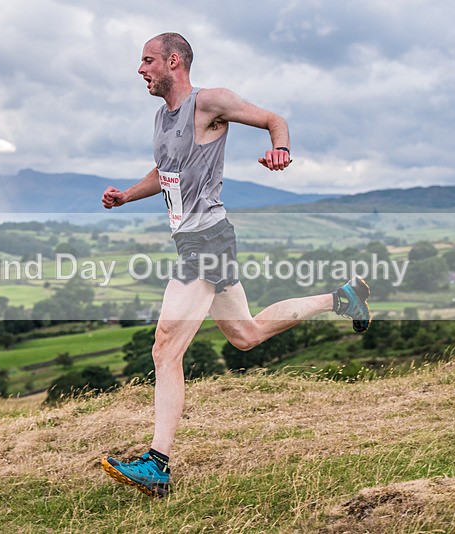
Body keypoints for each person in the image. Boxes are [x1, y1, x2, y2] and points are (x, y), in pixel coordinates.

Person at [99, 32, 370, 498]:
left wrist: (280, 149)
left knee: (165, 348)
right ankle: (341, 298)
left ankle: (158, 464)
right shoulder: (161, 120)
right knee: (246, 335)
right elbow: (165, 172)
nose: (140, 70)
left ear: (173, 60)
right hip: (196, 238)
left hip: (206, 239)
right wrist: (126, 195)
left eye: (147, 61)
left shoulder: (210, 102)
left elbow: (273, 119)